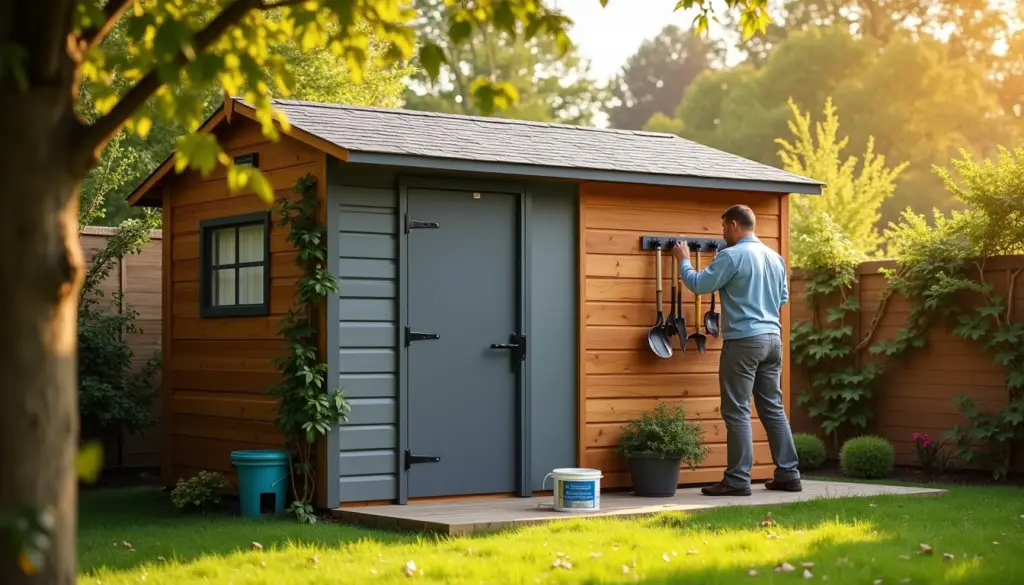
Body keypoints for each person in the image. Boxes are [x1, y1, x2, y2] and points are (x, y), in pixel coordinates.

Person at [671, 204, 801, 496]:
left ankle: (738, 480)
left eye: (722, 228)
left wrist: (683, 260)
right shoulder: (775, 257)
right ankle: (788, 474)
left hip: (744, 341)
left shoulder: (731, 256)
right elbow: (782, 298)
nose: (722, 234)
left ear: (732, 225)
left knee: (737, 410)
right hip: (773, 339)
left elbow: (699, 285)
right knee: (773, 408)